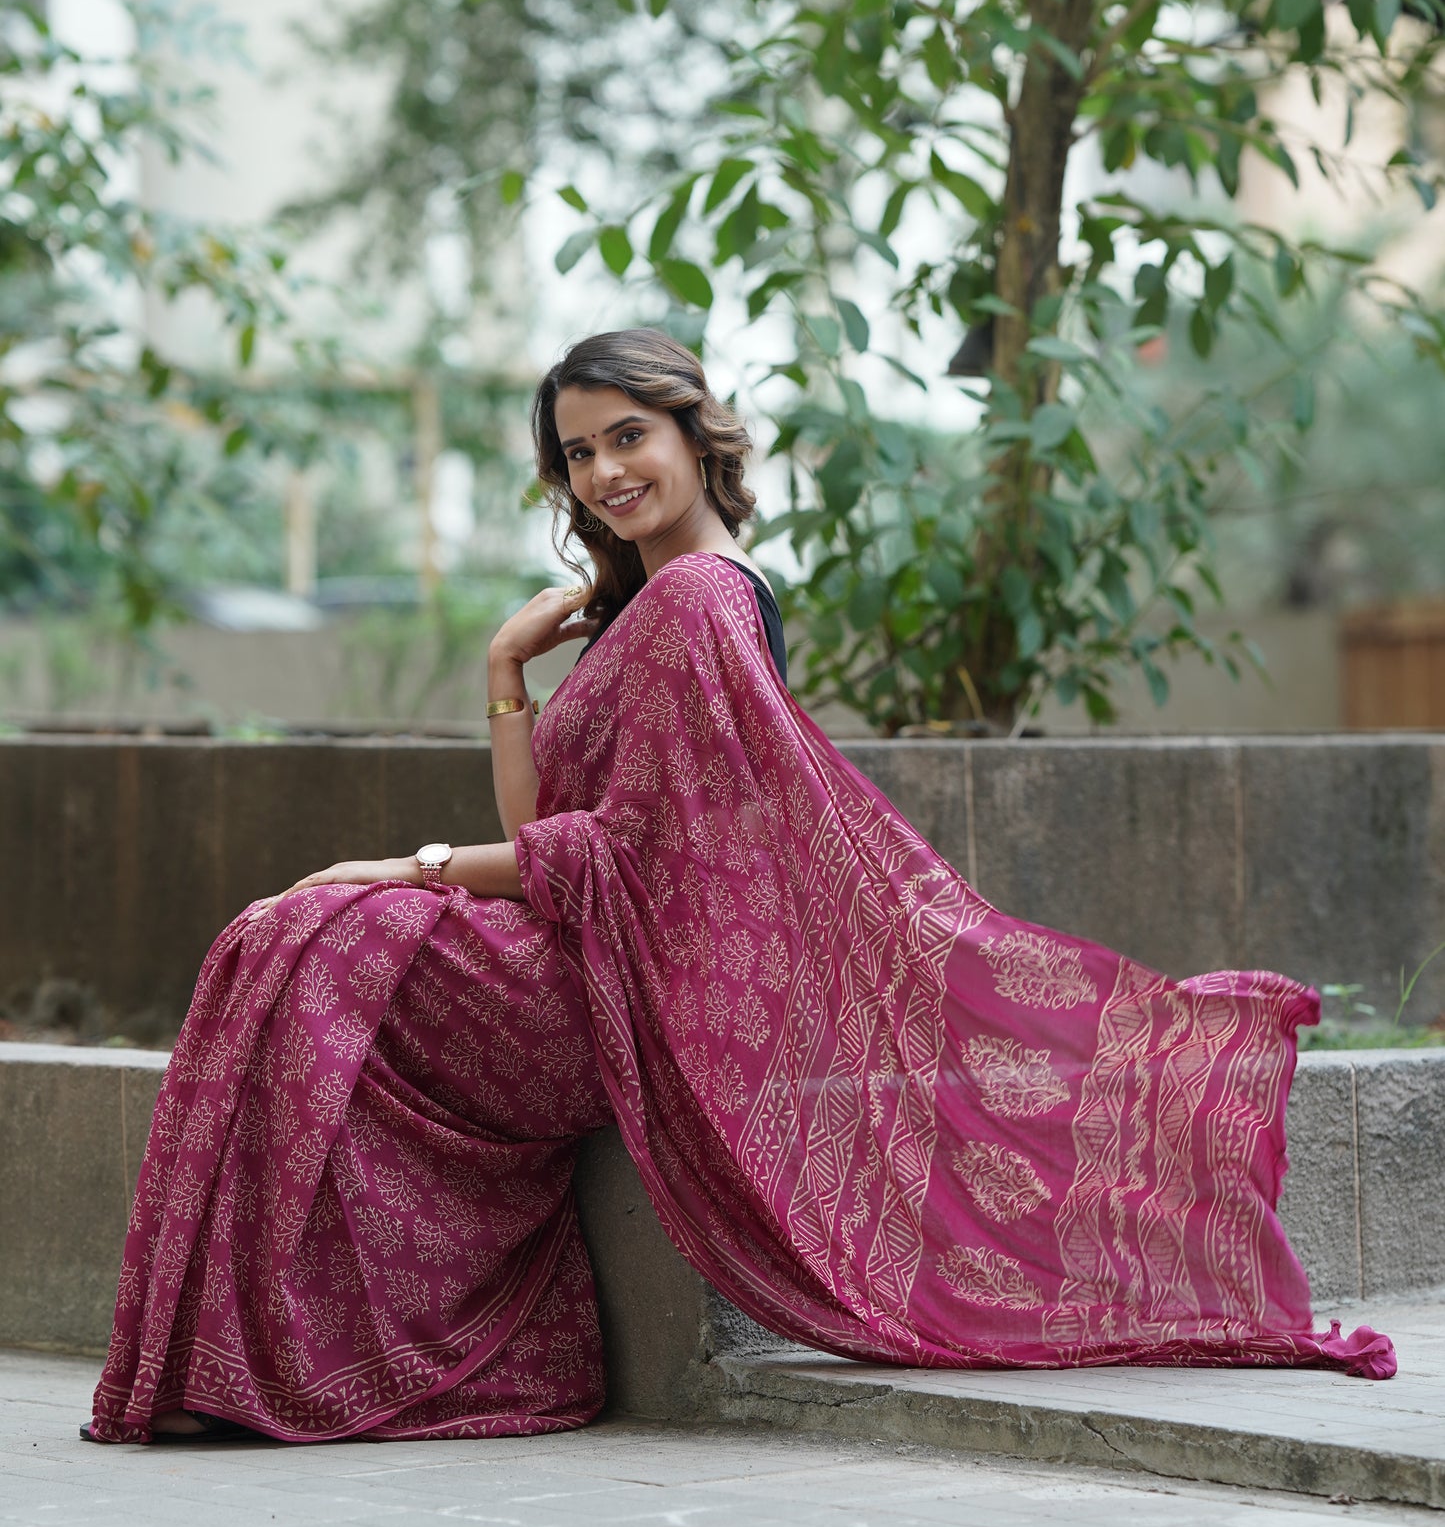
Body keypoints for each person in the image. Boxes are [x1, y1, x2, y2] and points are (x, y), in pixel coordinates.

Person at [87, 328, 1392, 1444]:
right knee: (290, 942)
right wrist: (503, 675)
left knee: (302, 937)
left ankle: (262, 1365)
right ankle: (259, 1361)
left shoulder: (702, 602)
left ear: (695, 433)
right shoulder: (650, 607)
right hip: (580, 957)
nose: (604, 472)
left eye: (626, 436)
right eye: (577, 455)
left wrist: (408, 866)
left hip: (608, 991)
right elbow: (554, 830)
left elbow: (621, 857)